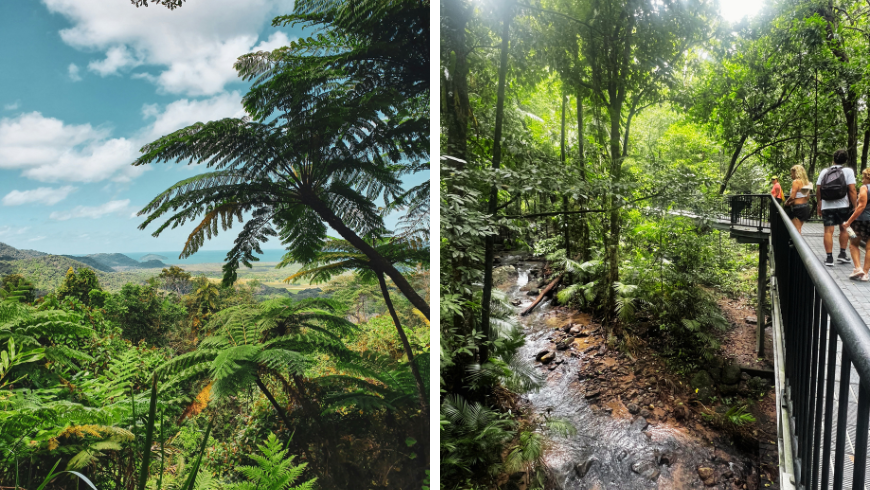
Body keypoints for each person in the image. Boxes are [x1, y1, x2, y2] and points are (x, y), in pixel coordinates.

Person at [817, 149, 858, 266]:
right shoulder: (848, 171)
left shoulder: (825, 171)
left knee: (828, 231)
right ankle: (842, 254)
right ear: (845, 160)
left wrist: (819, 204)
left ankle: (829, 258)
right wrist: (855, 206)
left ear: (833, 159)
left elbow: (818, 189)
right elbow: (852, 190)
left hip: (827, 206)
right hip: (843, 206)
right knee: (844, 228)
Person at [845, 168, 870, 281]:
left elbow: (861, 206)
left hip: (861, 221)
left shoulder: (865, 188)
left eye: (863, 177)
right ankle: (865, 273)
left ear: (867, 177)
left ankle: (858, 268)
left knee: (853, 244)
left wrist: (849, 222)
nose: (862, 179)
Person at [783, 165, 813, 234]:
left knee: (796, 230)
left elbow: (792, 196)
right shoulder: (807, 183)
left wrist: (787, 202)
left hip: (798, 208)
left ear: (796, 173)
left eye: (792, 173)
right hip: (805, 207)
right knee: (798, 228)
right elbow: (807, 197)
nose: (791, 175)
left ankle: (797, 244)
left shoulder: (796, 182)